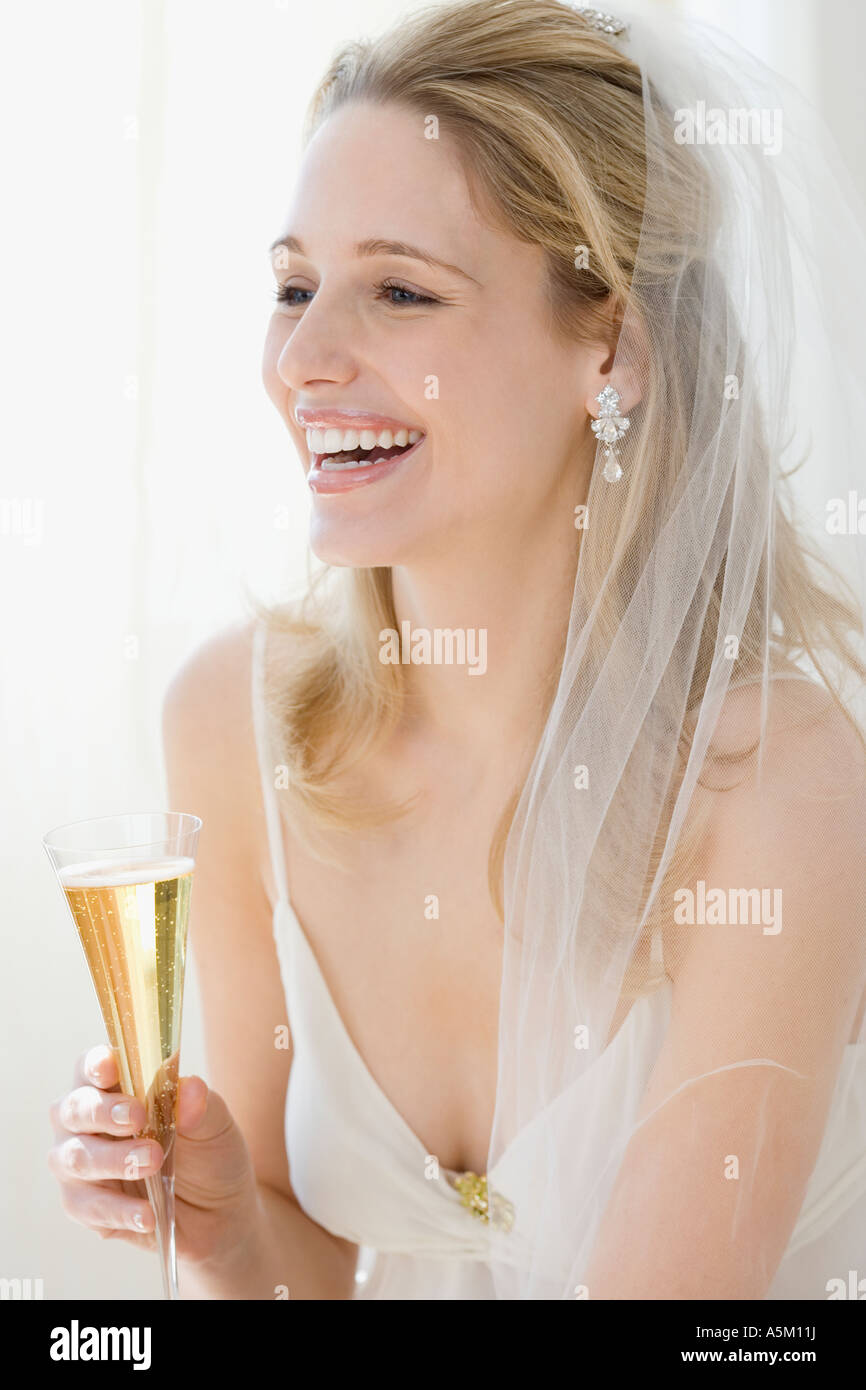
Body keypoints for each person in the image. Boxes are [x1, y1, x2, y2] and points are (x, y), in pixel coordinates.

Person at [48, 0, 866, 1299]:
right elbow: (304, 1258)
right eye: (293, 286)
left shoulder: (776, 784)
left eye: (400, 291)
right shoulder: (232, 722)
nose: (303, 360)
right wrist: (222, 1229)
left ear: (608, 350)